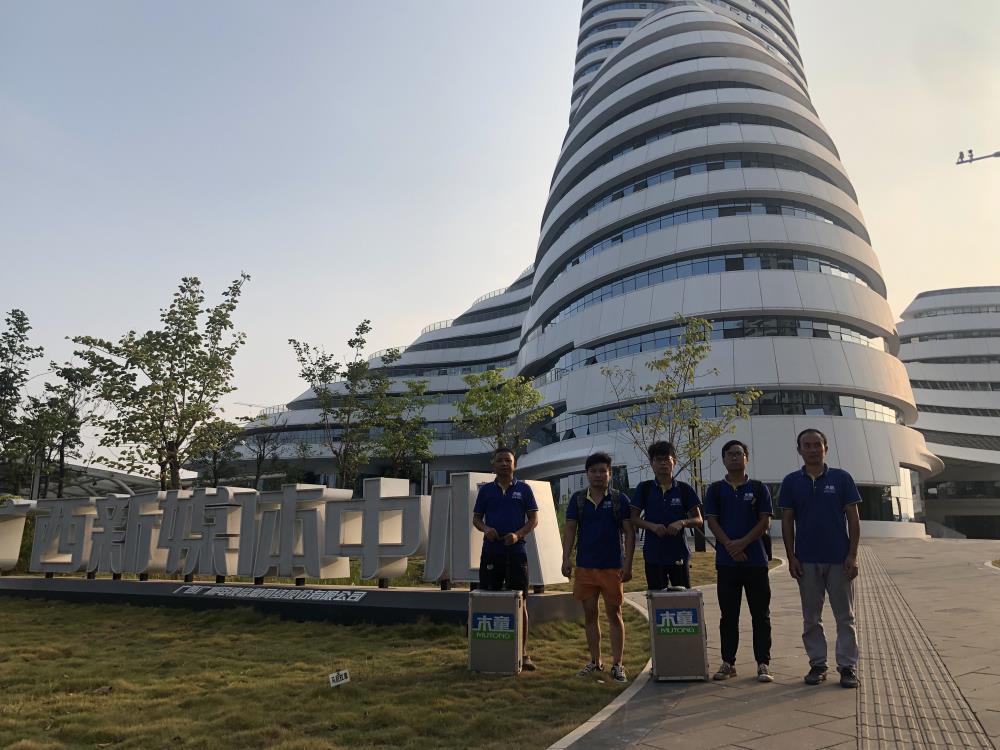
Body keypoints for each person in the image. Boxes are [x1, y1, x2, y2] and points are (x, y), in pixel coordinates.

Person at [779, 428, 862, 689]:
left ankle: (847, 667)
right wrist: (791, 557)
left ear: (826, 448)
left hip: (839, 559)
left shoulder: (841, 478)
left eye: (817, 444)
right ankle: (818, 664)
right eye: (807, 445)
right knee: (811, 618)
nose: (813, 449)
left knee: (845, 617)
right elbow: (787, 521)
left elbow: (853, 518)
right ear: (799, 450)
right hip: (807, 560)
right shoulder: (791, 482)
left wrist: (852, 554)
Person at [703, 440, 774, 683]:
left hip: (756, 563)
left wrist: (741, 543)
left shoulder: (759, 488)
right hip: (727, 563)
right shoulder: (715, 490)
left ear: (746, 458)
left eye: (739, 453)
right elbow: (712, 522)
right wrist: (730, 547)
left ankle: (763, 663)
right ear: (723, 459)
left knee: (761, 615)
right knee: (728, 616)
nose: (734, 457)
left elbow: (765, 521)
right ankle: (728, 663)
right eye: (730, 454)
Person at [561, 452, 635, 683]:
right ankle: (595, 661)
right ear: (587, 474)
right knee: (590, 614)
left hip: (612, 567)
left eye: (603, 471)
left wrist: (628, 563)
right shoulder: (578, 499)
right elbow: (570, 529)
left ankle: (618, 664)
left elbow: (629, 532)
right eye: (593, 471)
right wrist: (565, 558)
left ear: (610, 474)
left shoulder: (619, 499)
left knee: (614, 613)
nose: (598, 475)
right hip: (585, 567)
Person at [472, 446, 539, 670]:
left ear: (514, 465)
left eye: (508, 460)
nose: (504, 464)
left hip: (516, 552)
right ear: (493, 465)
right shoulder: (486, 491)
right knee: (489, 599)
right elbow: (476, 519)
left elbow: (533, 520)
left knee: (521, 602)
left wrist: (518, 535)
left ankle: (523, 653)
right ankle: (490, 651)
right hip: (491, 552)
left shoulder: (524, 489)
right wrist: (486, 529)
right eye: (500, 460)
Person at [629, 441, 703, 589]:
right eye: (658, 460)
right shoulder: (644, 488)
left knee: (682, 597)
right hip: (654, 555)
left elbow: (699, 519)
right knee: (657, 598)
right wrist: (652, 527)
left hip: (678, 554)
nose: (663, 463)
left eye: (667, 459)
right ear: (652, 463)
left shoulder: (684, 489)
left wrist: (682, 522)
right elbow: (634, 518)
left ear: (674, 462)